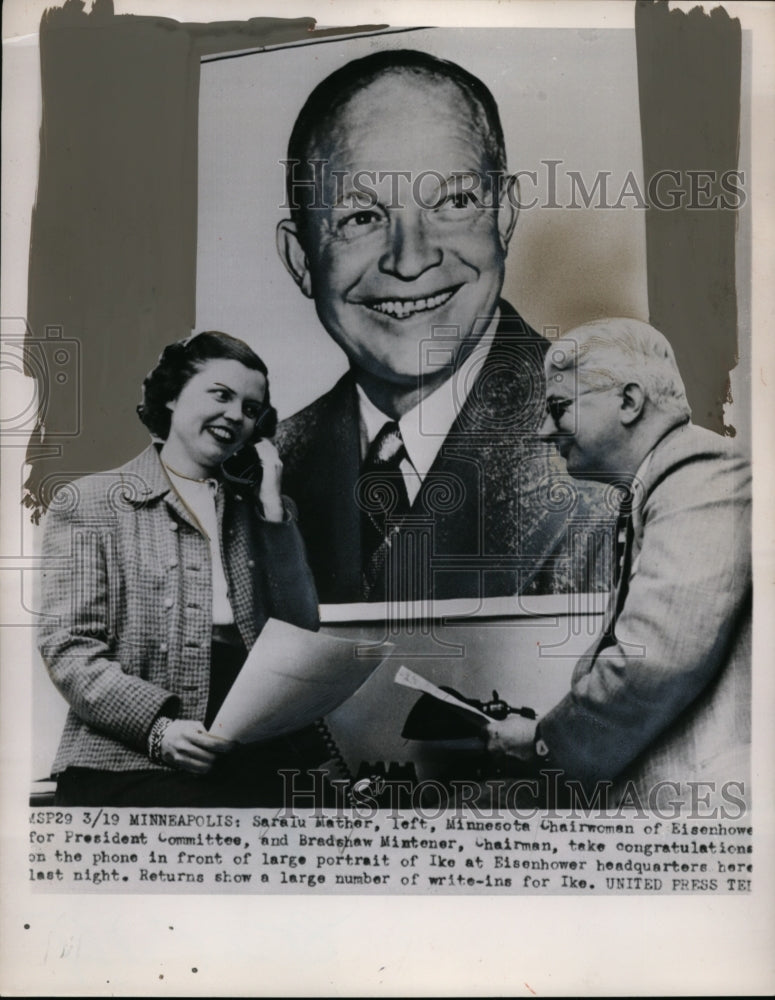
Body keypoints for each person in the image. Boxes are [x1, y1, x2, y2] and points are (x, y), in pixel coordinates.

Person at [275, 49, 613, 604]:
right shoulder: (249, 474)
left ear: (504, 218)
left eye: (453, 202)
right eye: (361, 217)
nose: (410, 261)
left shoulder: (622, 456)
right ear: (300, 258)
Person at [38, 331, 328, 807]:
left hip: (252, 752)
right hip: (130, 759)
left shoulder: (260, 511)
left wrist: (273, 508)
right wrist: (158, 730)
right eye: (221, 394)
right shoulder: (89, 504)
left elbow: (299, 632)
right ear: (171, 396)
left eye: (252, 409)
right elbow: (69, 649)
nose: (236, 415)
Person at [487, 318, 752, 807]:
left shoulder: (703, 474)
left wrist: (545, 742)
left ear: (629, 401)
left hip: (701, 815)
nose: (545, 431)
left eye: (559, 408)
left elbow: (656, 658)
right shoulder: (664, 484)